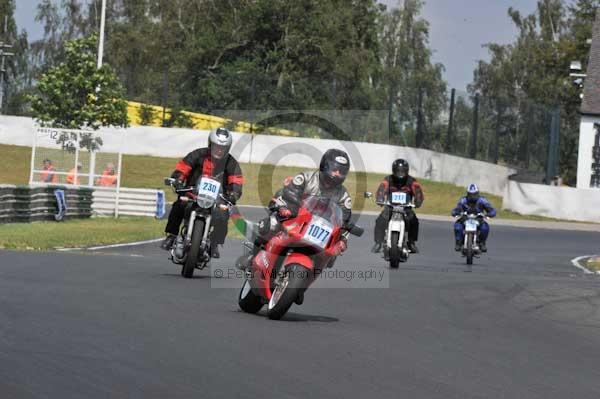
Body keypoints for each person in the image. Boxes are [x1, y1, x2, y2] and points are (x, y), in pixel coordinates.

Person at [238, 148, 353, 270]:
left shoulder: (344, 196)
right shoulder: (306, 178)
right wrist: (287, 208)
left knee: (332, 254)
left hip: (319, 228)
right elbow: (290, 192)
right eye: (334, 169)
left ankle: (310, 273)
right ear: (324, 166)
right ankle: (253, 256)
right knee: (270, 225)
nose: (337, 174)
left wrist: (342, 240)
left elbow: (344, 220)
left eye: (341, 171)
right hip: (296, 216)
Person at [161, 128, 243, 258]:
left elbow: (236, 181)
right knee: (179, 205)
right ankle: (172, 235)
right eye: (216, 146)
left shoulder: (231, 163)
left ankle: (215, 243)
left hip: (217, 200)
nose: (219, 150)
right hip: (193, 193)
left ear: (228, 148)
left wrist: (233, 193)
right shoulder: (198, 155)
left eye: (223, 147)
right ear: (210, 144)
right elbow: (183, 168)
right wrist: (178, 179)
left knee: (223, 214)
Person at [371, 159, 424, 254]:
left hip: (406, 209)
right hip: (390, 207)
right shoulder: (388, 179)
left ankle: (411, 242)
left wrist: (418, 201)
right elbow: (381, 189)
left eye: (402, 171)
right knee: (380, 221)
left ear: (406, 171)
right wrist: (380, 198)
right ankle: (378, 243)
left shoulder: (412, 181)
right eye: (398, 171)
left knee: (414, 221)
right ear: (393, 170)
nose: (400, 174)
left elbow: (418, 191)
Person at [451, 183, 496, 252]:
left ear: (477, 193)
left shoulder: (482, 200)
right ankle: (458, 242)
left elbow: (491, 210)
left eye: (474, 194)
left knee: (485, 227)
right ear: (467, 194)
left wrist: (489, 214)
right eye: (470, 194)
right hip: (465, 218)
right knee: (457, 226)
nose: (472, 196)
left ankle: (482, 243)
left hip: (478, 218)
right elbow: (457, 209)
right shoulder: (463, 200)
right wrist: (455, 213)